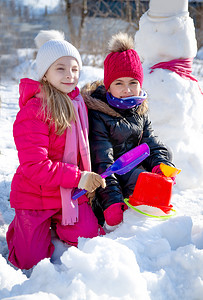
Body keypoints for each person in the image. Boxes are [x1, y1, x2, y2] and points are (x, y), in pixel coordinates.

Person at [6, 30, 106, 270]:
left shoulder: (79, 103)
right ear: (45, 73)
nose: (69, 75)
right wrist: (80, 177)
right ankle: (21, 228)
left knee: (91, 241)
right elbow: (34, 166)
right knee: (30, 261)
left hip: (69, 195)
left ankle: (61, 223)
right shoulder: (34, 110)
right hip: (35, 196)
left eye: (74, 69)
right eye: (60, 68)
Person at [81, 32, 176, 228]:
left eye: (133, 82)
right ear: (108, 87)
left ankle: (151, 204)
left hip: (132, 171)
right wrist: (111, 201)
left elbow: (150, 143)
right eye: (119, 83)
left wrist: (161, 163)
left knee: (163, 161)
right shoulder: (100, 115)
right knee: (139, 178)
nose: (127, 90)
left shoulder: (139, 111)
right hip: (109, 182)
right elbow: (103, 162)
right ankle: (134, 211)